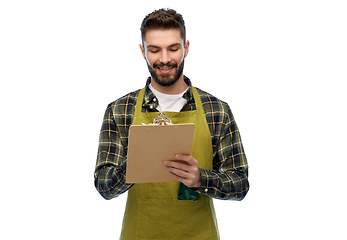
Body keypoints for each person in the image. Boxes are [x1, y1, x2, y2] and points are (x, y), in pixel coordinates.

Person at [94, 8, 249, 240]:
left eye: (173, 49)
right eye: (154, 50)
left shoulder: (216, 110)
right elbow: (104, 186)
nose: (164, 59)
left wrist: (200, 179)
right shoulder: (119, 110)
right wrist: (137, 160)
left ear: (186, 48)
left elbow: (240, 184)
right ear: (142, 51)